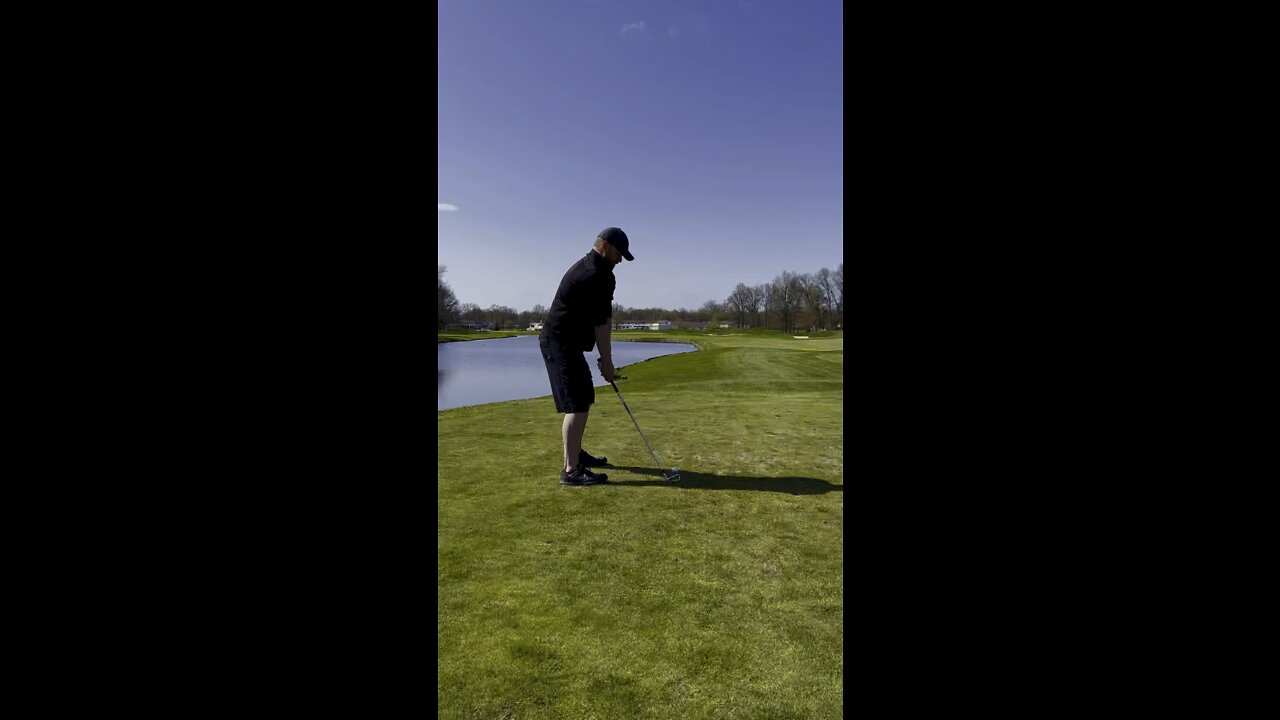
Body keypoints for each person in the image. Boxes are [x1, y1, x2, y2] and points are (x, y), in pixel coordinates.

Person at [539, 227, 635, 486]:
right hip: (558, 342)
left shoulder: (603, 273)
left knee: (585, 397)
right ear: (604, 245)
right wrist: (608, 361)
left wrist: (607, 358)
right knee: (576, 403)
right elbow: (600, 326)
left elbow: (605, 319)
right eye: (618, 253)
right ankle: (571, 470)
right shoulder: (592, 275)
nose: (620, 260)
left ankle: (576, 453)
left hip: (570, 343)